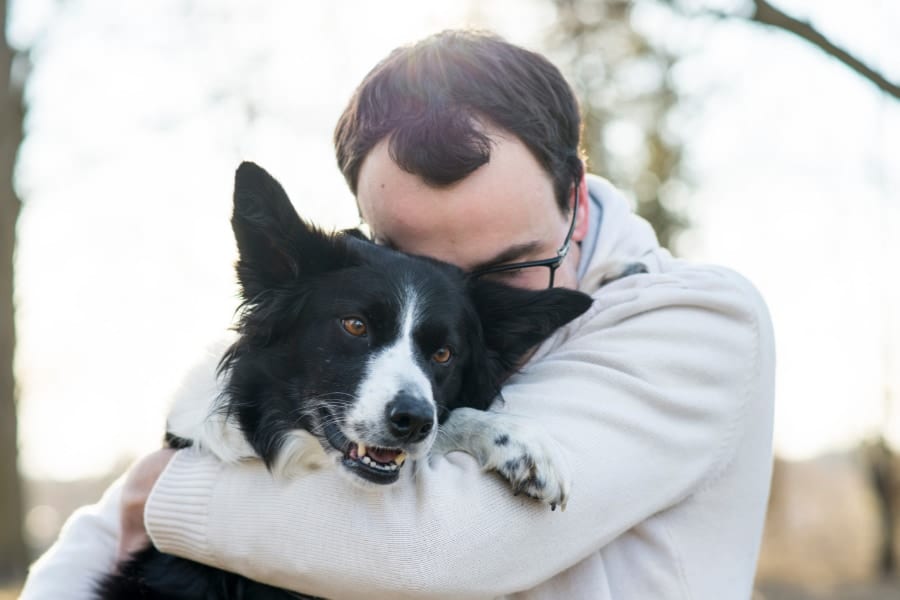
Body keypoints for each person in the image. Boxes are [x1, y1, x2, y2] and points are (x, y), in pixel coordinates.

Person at [20, 30, 775, 599]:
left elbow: (434, 550)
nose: (465, 314)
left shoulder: (699, 321)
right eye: (411, 260)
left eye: (510, 267)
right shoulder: (338, 319)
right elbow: (111, 520)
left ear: (575, 195)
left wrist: (172, 491)